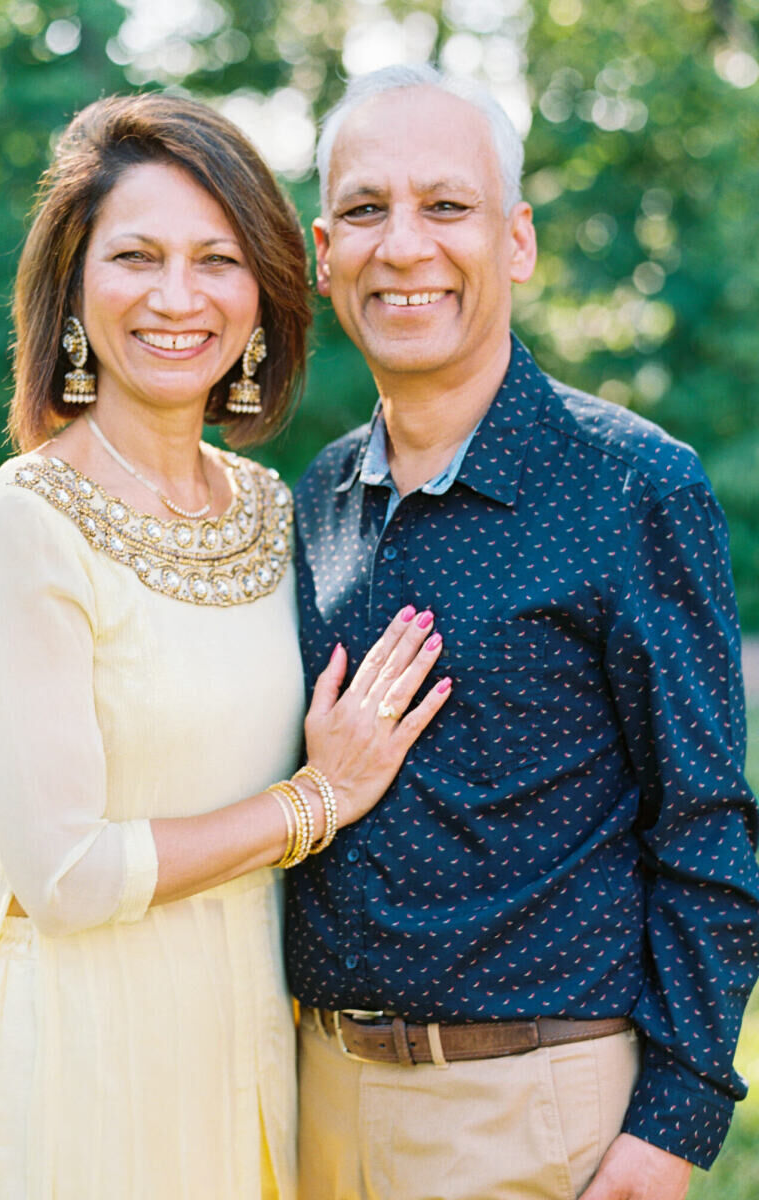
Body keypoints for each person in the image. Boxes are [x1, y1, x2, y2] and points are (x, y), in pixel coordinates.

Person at [0, 92, 453, 1200]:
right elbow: (62, 876)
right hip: (78, 1045)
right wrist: (317, 800)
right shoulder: (27, 523)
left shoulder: (277, 510)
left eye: (217, 259)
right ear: (72, 287)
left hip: (246, 1022)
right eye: (136, 256)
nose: (176, 297)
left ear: (262, 294)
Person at [287, 64, 759, 1200]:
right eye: (365, 210)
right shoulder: (313, 497)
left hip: (531, 1115)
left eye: (446, 206)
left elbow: (707, 827)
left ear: (517, 243)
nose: (403, 246)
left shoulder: (635, 487)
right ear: (320, 252)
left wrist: (675, 1121)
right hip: (307, 1099)